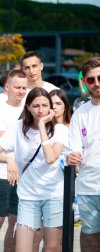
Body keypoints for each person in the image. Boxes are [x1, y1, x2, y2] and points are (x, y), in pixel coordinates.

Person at [0, 87, 68, 252]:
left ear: (50, 107)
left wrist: (42, 127)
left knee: (52, 247)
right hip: (28, 196)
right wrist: (9, 159)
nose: (41, 110)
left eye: (45, 105)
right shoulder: (18, 127)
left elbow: (50, 157)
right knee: (23, 248)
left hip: (54, 195)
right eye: (36, 106)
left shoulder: (60, 130)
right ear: (28, 107)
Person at [0, 70, 28, 252]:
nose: (21, 91)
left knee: (15, 221)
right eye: (17, 87)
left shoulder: (29, 107)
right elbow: (0, 138)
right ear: (7, 87)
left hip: (23, 175)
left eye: (24, 88)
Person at [66, 57, 100, 252]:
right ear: (85, 83)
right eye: (91, 80)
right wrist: (72, 156)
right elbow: (74, 149)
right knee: (90, 235)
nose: (96, 83)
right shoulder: (80, 113)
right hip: (88, 187)